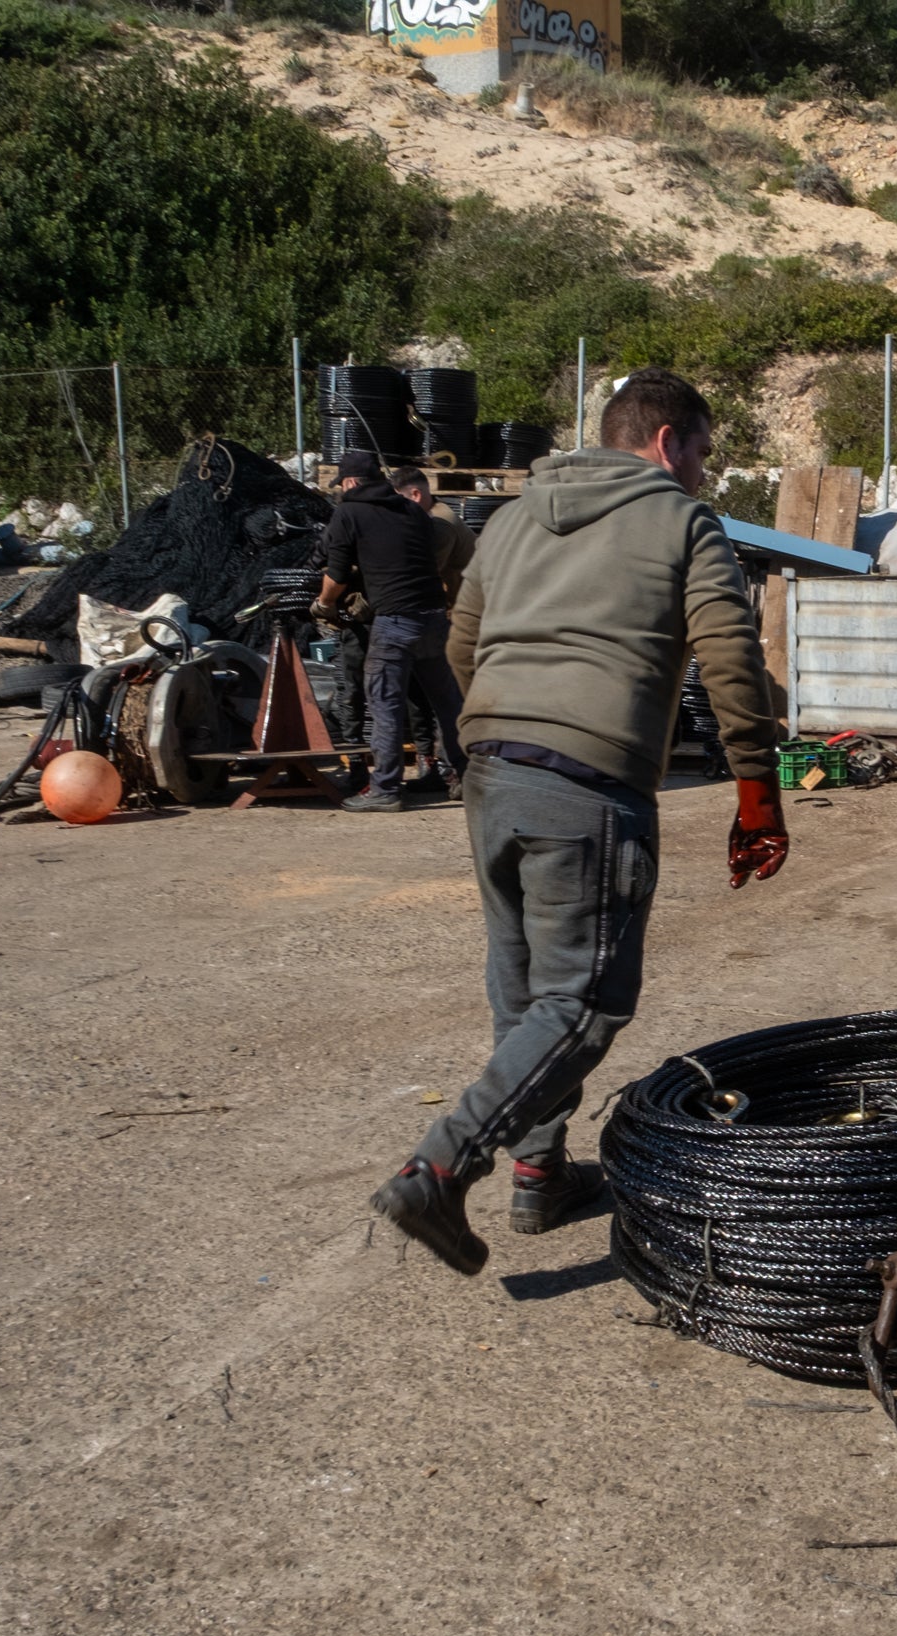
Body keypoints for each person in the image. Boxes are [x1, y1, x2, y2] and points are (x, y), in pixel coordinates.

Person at [369, 368, 790, 1275]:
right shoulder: (682, 521)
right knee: (584, 1001)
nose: (705, 477)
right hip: (588, 781)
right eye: (705, 456)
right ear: (670, 441)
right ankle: (440, 1166)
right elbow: (728, 653)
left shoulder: (511, 516)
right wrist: (757, 790)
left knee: (524, 993)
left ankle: (540, 1171)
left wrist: (488, 729)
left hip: (492, 770)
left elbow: (459, 642)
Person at [318, 448, 465, 811]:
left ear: (350, 482)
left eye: (342, 484)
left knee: (384, 702)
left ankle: (384, 788)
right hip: (433, 616)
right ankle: (468, 776)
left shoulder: (348, 512)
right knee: (447, 703)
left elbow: (335, 575)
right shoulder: (413, 510)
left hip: (395, 620)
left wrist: (324, 605)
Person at [390, 465, 480, 794]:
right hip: (448, 616)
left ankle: (458, 772)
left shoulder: (438, 525)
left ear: (416, 495)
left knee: (450, 698)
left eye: (399, 502)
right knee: (429, 696)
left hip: (462, 619)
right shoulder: (433, 517)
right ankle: (438, 770)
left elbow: (424, 575)